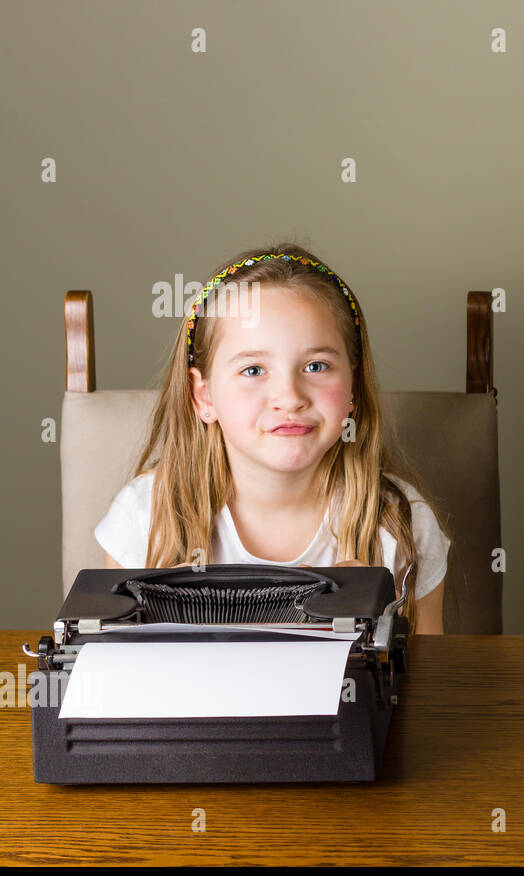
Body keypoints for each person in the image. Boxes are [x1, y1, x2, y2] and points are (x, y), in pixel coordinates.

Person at [95, 244, 450, 635]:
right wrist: (162, 619)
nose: (290, 397)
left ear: (352, 386)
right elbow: (115, 682)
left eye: (317, 366)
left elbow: (427, 684)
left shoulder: (401, 525)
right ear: (204, 396)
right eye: (253, 370)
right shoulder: (143, 520)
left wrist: (378, 627)